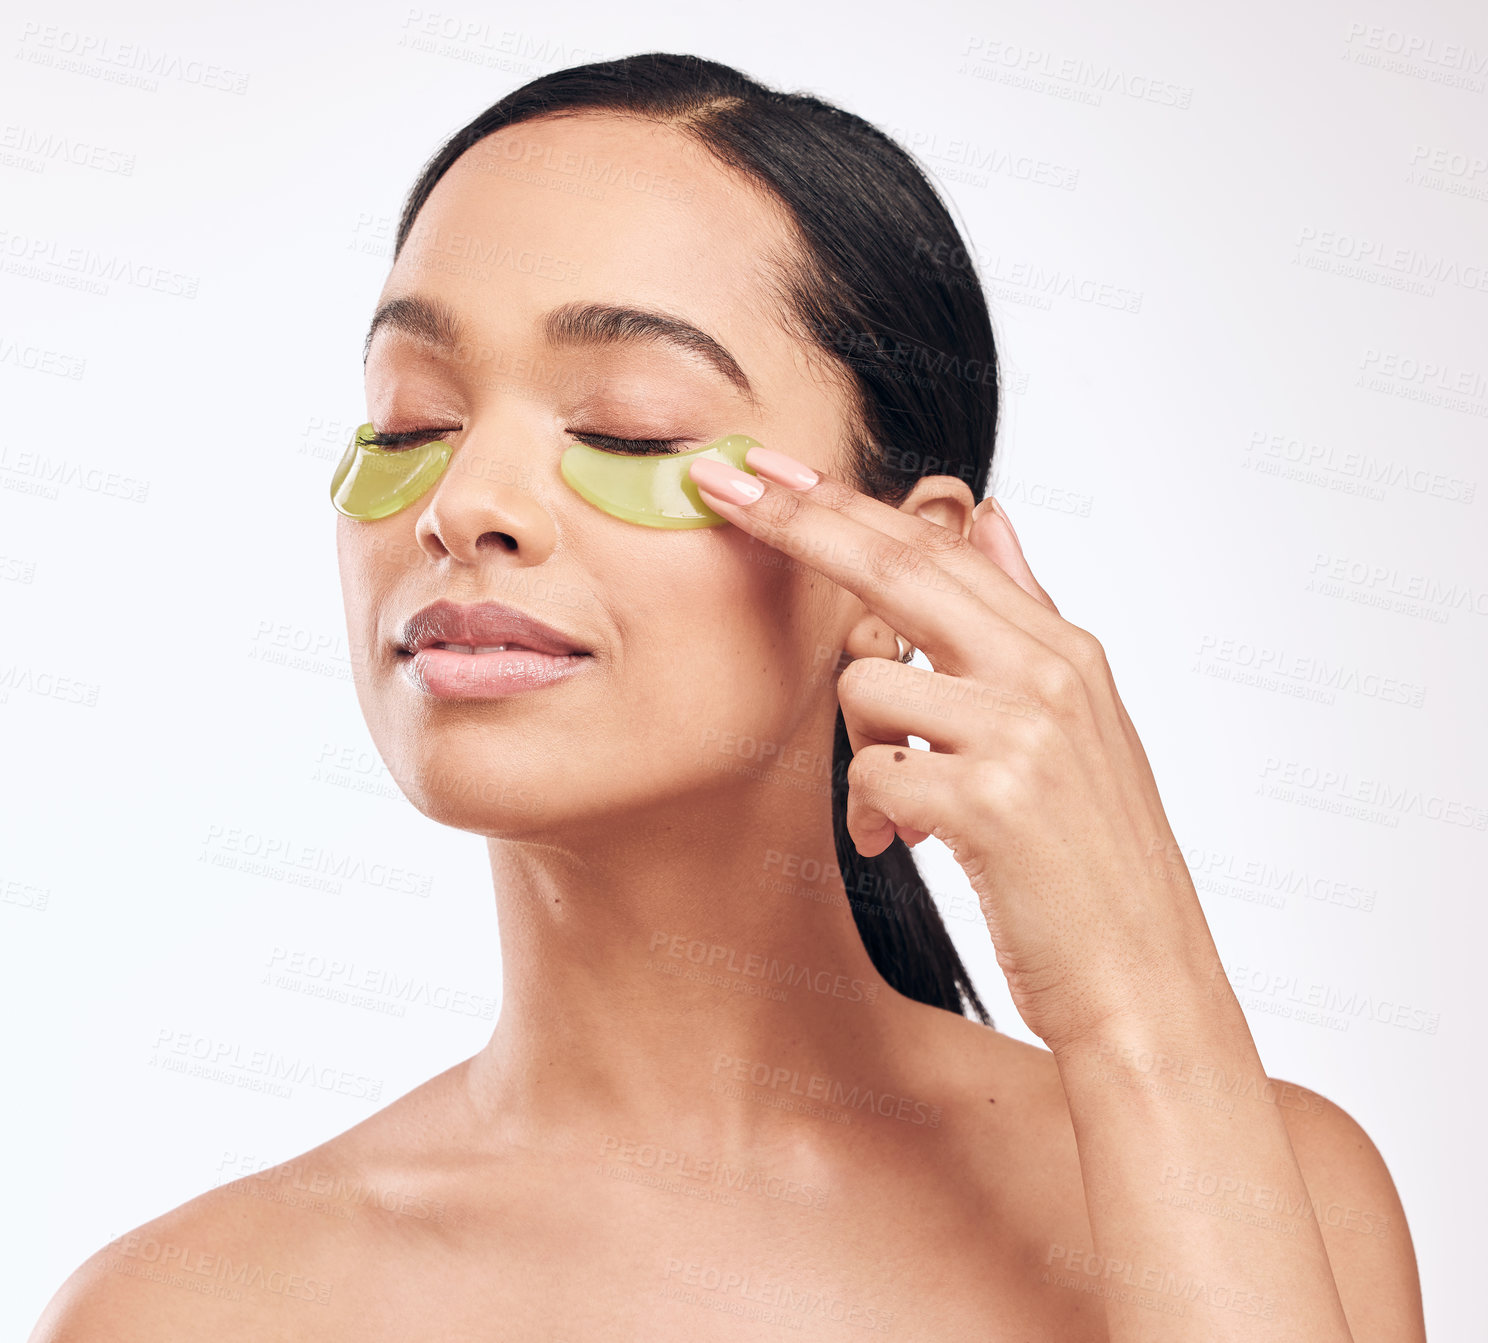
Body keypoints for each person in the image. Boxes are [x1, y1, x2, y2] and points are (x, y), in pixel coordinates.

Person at [31, 52, 1425, 1341]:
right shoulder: (186, 1312)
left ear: (900, 568)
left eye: (627, 426)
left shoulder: (1272, 1191)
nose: (466, 505)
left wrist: (1143, 1009)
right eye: (412, 418)